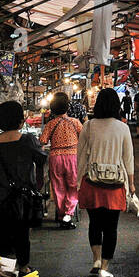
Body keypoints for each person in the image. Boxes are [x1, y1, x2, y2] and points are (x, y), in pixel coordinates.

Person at [76, 89, 136, 277]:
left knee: (95, 223)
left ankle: (95, 259)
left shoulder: (89, 125)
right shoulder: (123, 128)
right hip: (115, 185)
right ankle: (104, 266)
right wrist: (132, 185)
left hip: (92, 183)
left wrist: (78, 181)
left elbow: (81, 156)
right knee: (111, 227)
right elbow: (128, 159)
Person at [0, 100, 47, 275]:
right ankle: (23, 267)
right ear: (21, 120)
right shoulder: (28, 140)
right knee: (21, 233)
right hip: (20, 195)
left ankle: (0, 268)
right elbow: (41, 159)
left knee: (0, 231)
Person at [39, 91, 83, 228]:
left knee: (58, 187)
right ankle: (68, 215)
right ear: (67, 107)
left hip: (56, 157)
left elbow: (42, 140)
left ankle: (60, 214)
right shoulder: (75, 122)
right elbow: (83, 137)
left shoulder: (51, 124)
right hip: (72, 157)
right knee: (73, 186)